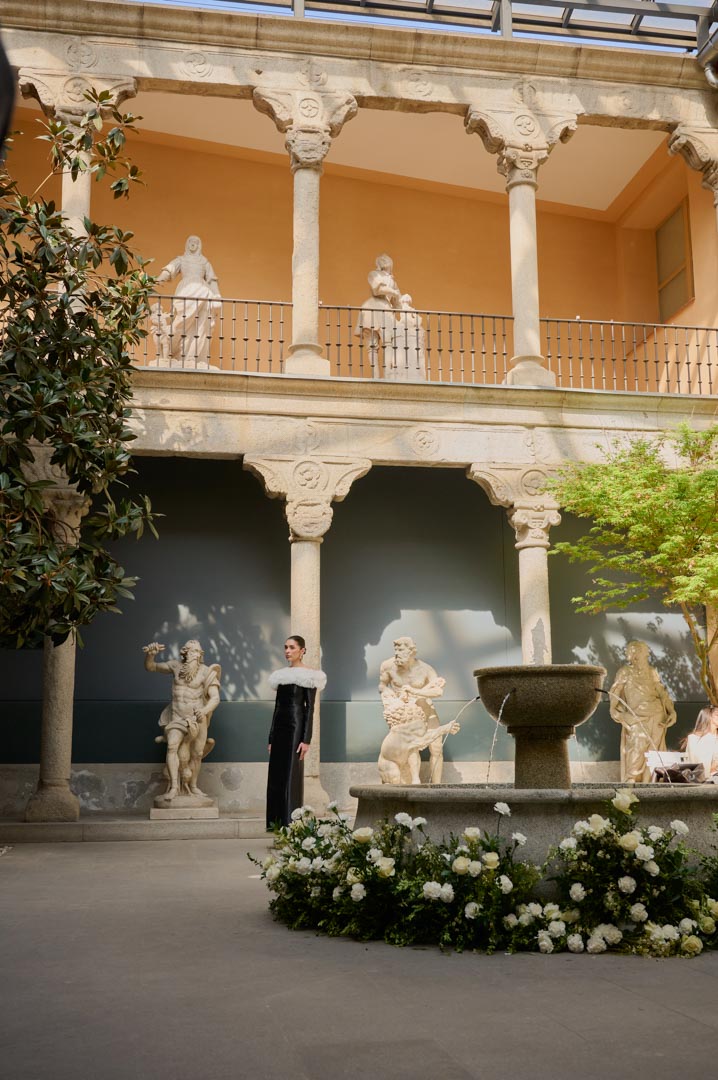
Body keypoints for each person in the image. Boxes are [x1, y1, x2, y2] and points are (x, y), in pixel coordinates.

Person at [143, 640, 221, 801]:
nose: (195, 655)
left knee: (197, 753)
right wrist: (150, 655)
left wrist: (204, 711)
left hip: (198, 718)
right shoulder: (175, 666)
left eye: (198, 652)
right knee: (172, 747)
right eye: (192, 651)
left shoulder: (206, 672)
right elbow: (151, 667)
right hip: (177, 716)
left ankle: (193, 786)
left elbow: (215, 698)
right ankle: (174, 787)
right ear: (185, 652)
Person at [266, 635, 327, 828]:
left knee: (291, 772)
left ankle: (290, 822)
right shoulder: (280, 676)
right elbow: (277, 708)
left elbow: (310, 709)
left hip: (295, 727)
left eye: (292, 647)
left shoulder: (311, 676)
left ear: (302, 650)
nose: (287, 651)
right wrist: (271, 738)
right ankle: (275, 823)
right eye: (285, 647)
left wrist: (306, 739)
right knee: (276, 775)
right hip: (280, 728)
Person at [379, 637, 446, 782]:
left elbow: (438, 691)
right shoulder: (388, 666)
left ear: (411, 651)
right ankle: (407, 783)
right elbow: (382, 686)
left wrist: (416, 692)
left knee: (436, 748)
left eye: (401, 650)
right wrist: (388, 694)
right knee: (408, 750)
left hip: (426, 711)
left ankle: (437, 787)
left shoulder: (425, 669)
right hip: (404, 715)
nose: (397, 653)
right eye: (396, 650)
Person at [609, 640, 677, 783]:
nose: (631, 656)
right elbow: (615, 694)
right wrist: (616, 711)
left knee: (654, 751)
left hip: (657, 714)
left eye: (637, 653)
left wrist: (672, 712)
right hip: (636, 716)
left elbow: (662, 693)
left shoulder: (652, 672)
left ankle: (651, 780)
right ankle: (631, 779)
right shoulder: (624, 672)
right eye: (631, 653)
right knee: (636, 746)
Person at [154, 235, 221, 366]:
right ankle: (175, 353)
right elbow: (169, 270)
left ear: (199, 245)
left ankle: (193, 357)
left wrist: (217, 296)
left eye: (196, 242)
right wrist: (156, 281)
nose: (193, 244)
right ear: (187, 244)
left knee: (201, 325)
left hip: (203, 292)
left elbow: (212, 280)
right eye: (191, 241)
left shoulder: (204, 262)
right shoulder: (181, 260)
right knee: (181, 322)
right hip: (185, 291)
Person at [354, 253, 401, 373]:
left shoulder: (393, 281)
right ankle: (375, 374)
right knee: (372, 344)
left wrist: (402, 301)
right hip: (373, 307)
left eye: (387, 259)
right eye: (382, 259)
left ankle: (388, 374)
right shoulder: (374, 274)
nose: (384, 261)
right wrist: (394, 292)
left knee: (389, 341)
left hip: (386, 309)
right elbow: (377, 290)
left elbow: (398, 304)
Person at [683, 706, 718, 781]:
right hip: (703, 780)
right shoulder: (694, 738)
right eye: (717, 715)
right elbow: (694, 764)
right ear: (709, 717)